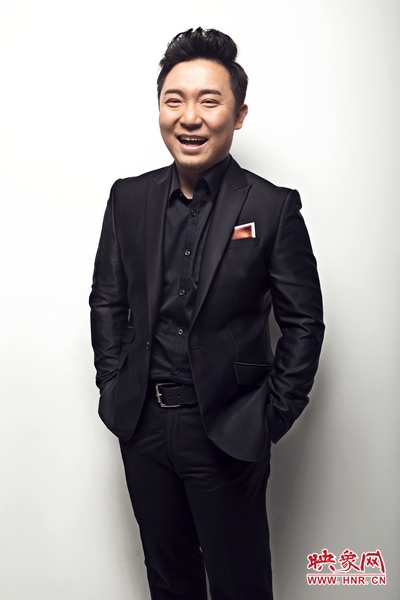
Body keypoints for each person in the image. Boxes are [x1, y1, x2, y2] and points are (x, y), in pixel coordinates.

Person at [89, 27, 324, 600]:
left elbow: (304, 323)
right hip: (143, 424)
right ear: (160, 109)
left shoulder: (272, 207)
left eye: (209, 101)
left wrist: (269, 418)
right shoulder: (128, 198)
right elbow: (107, 300)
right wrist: (114, 382)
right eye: (174, 101)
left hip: (227, 428)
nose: (189, 117)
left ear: (238, 115)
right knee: (169, 581)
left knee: (240, 585)